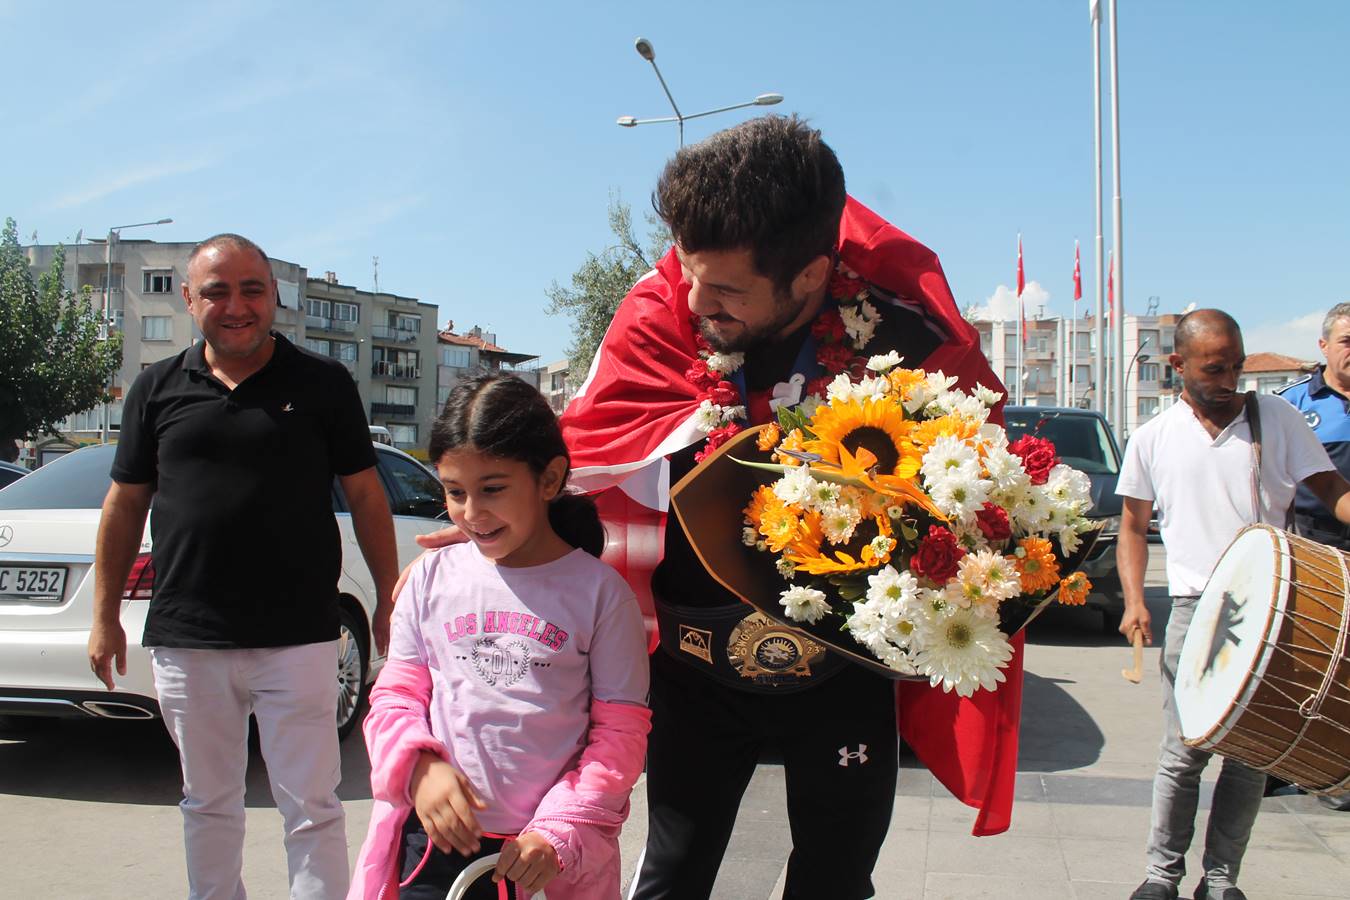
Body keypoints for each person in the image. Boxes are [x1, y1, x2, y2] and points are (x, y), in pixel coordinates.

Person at [559, 115, 1014, 899]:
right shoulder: (660, 316)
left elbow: (979, 507)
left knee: (834, 886)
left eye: (726, 288)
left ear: (810, 275)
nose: (694, 299)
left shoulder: (907, 345)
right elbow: (585, 460)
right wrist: (493, 537)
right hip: (693, 674)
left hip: (842, 682)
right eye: (686, 270)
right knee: (670, 880)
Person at [87, 233, 400, 900]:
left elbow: (368, 495)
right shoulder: (155, 388)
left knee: (313, 807)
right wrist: (104, 616)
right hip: (189, 638)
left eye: (251, 289)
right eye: (218, 291)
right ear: (188, 300)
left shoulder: (323, 384)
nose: (237, 306)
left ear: (274, 297)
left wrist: (387, 596)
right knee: (208, 804)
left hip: (301, 637)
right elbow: (124, 504)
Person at [349, 372, 651, 899]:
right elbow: (395, 696)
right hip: (432, 849)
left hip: (547, 860)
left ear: (550, 479)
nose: (471, 513)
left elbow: (620, 736)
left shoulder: (602, 596)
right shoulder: (428, 577)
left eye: (492, 489)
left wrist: (559, 830)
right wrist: (419, 768)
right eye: (454, 492)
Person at [1116, 309, 1350, 900]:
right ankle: (1161, 877)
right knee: (1184, 751)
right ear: (1178, 366)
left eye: (1237, 366)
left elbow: (1331, 491)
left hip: (1275, 604)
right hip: (1195, 610)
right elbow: (1132, 527)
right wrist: (1135, 600)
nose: (1230, 380)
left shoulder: (1279, 418)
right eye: (1214, 368)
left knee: (1250, 755)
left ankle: (1220, 882)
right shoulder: (1152, 438)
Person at [1275, 300, 1350, 811]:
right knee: (1302, 664)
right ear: (1322, 347)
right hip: (1314, 550)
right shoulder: (1294, 405)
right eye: (1347, 341)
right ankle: (1285, 762)